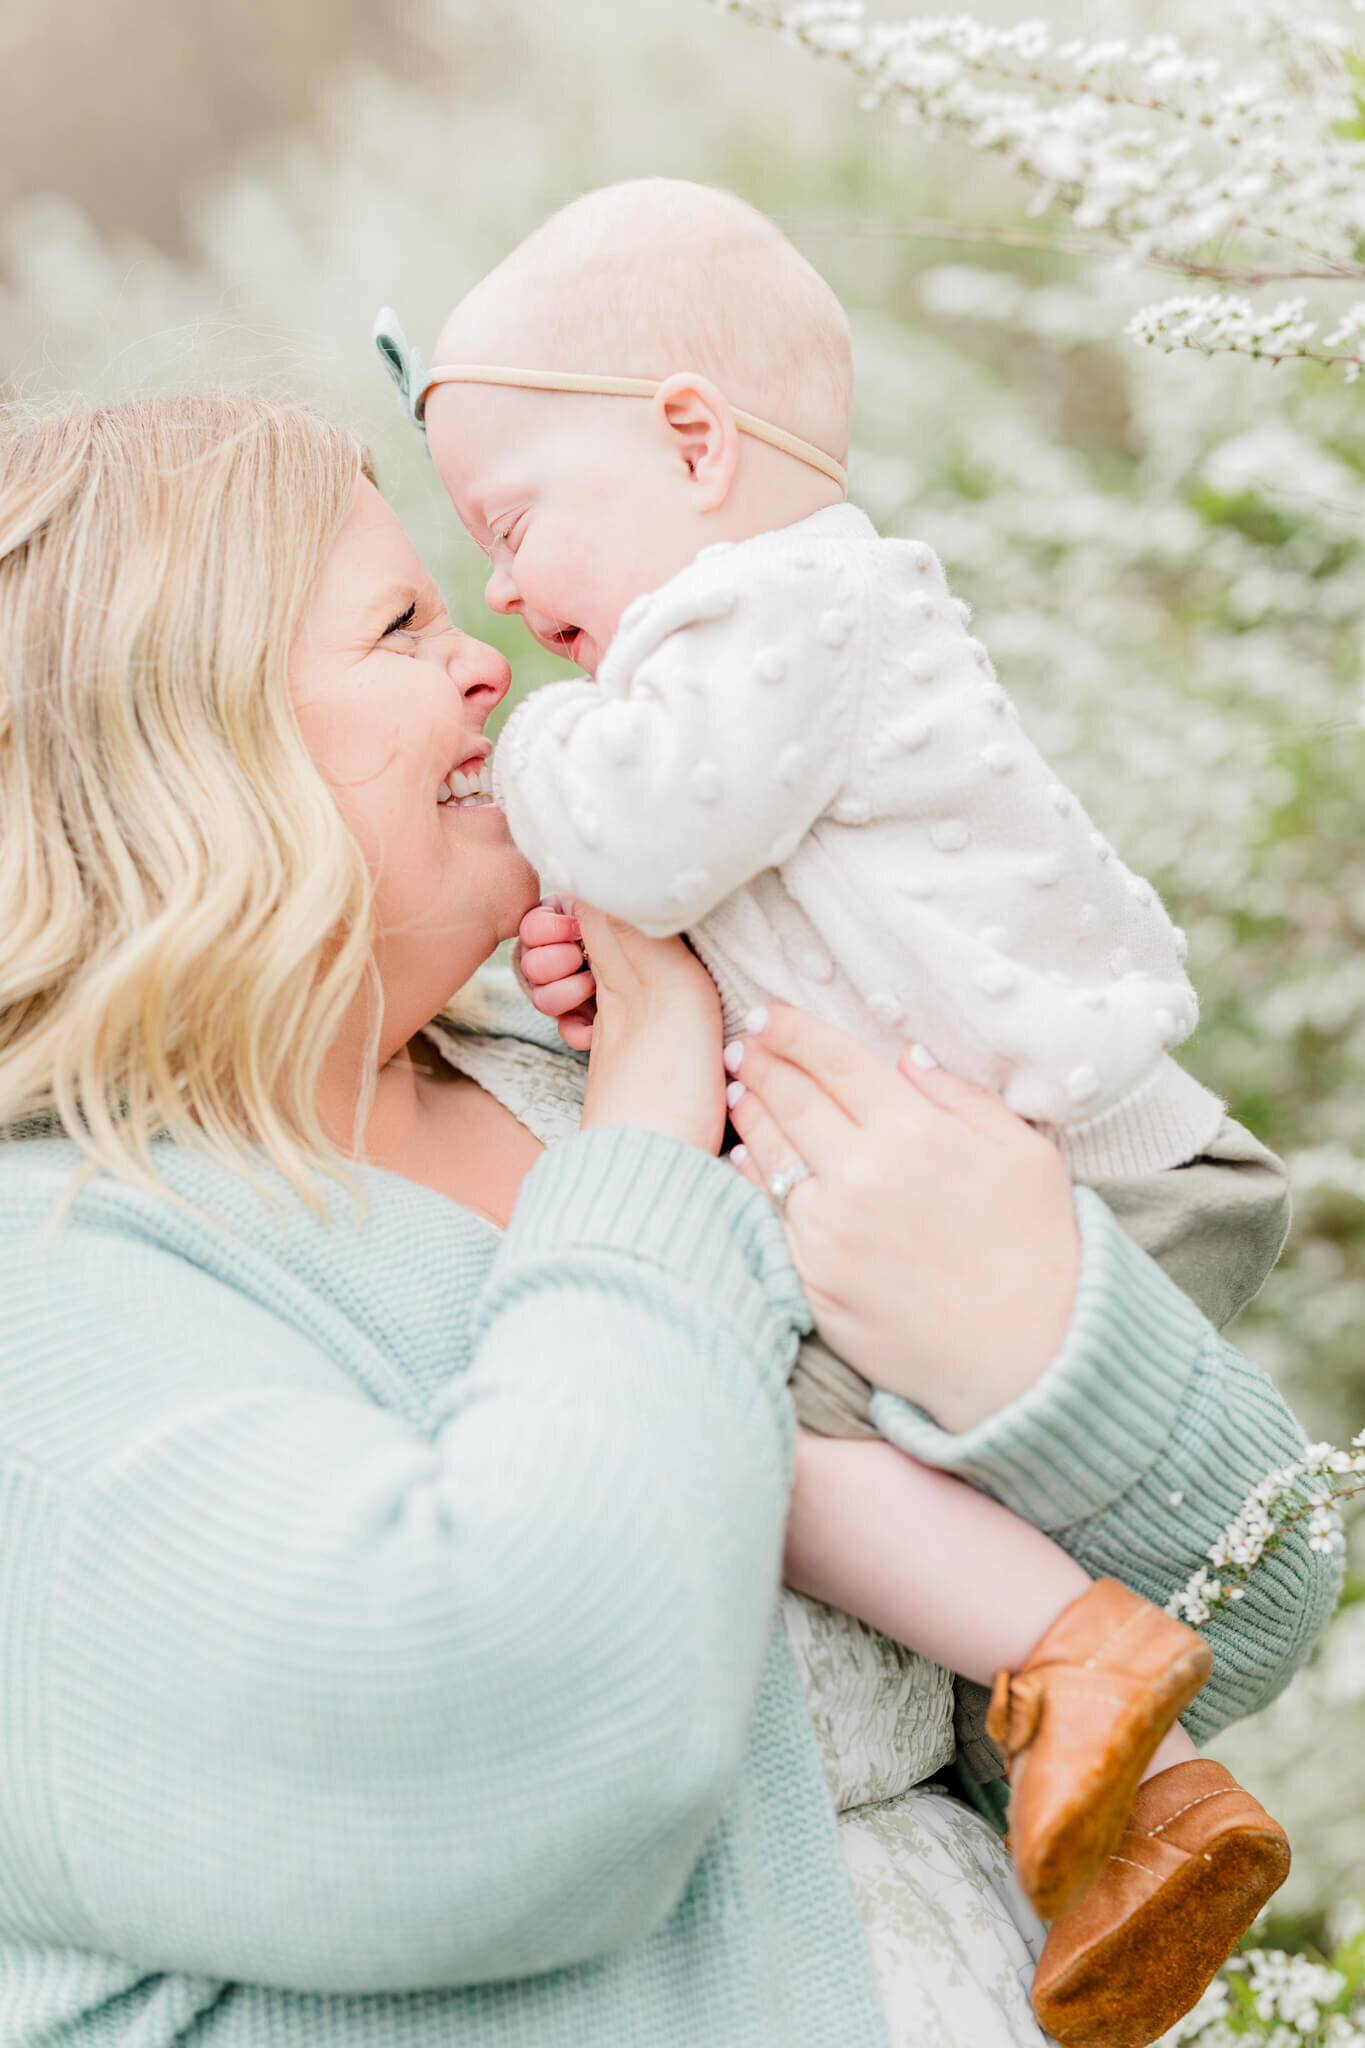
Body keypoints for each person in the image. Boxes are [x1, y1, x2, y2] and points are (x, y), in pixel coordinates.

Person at [0, 395, 1336, 2048]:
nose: (486, 655)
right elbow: (541, 1762)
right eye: (402, 625)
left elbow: (1252, 1610)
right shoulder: (59, 1285)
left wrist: (1034, 1341)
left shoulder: (553, 1069)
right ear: (177, 748)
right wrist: (643, 1104)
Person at [375, 176, 1319, 2045]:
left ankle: (1082, 1671)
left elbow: (647, 820)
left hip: (1065, 1184)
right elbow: (747, 893)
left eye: (499, 534)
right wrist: (645, 973)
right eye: (408, 617)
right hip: (1009, 1163)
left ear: (696, 442)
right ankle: (1131, 1800)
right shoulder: (761, 640)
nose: (494, 625)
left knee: (739, 1411)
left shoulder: (777, 610)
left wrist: (563, 786)